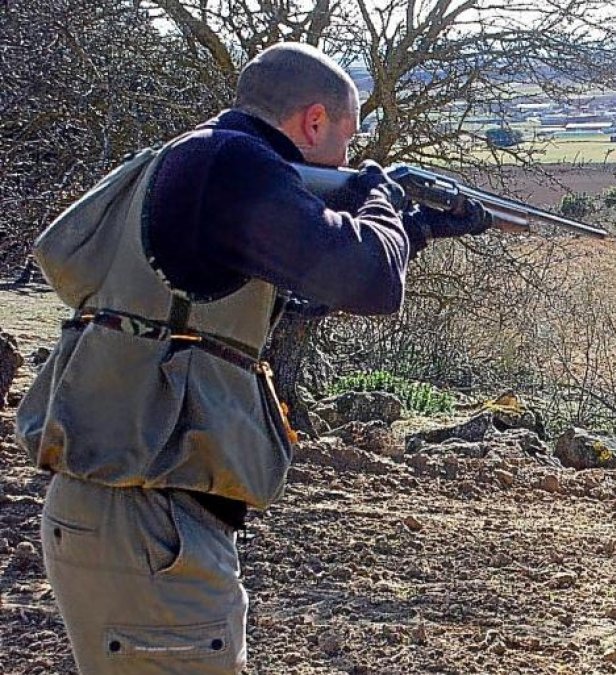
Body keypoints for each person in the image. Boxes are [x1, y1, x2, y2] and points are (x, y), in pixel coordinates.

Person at [16, 42, 491, 673]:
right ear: (313, 121)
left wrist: (414, 233)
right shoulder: (231, 163)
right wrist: (383, 201)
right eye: (346, 142)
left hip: (144, 515)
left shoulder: (200, 163)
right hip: (146, 523)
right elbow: (364, 277)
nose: (348, 161)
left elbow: (297, 295)